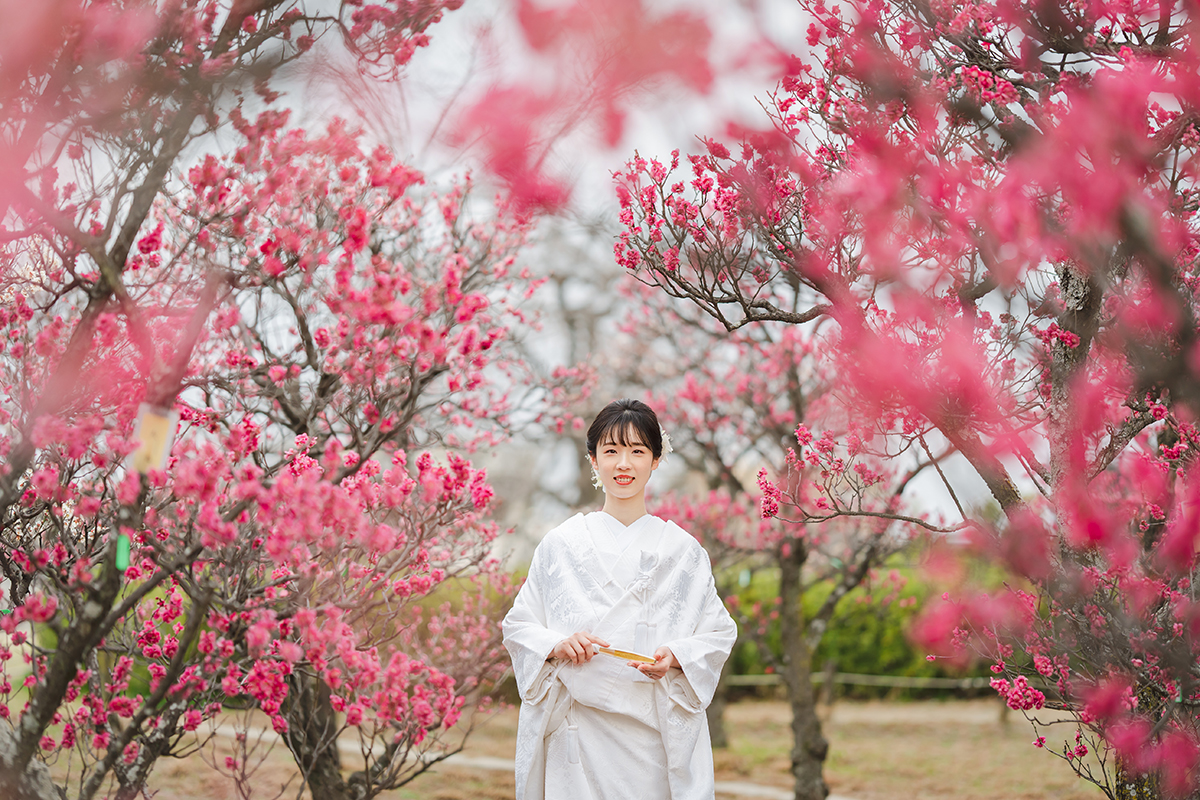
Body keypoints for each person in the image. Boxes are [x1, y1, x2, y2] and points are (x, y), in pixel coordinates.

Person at [502, 399, 738, 800]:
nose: (623, 463)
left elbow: (718, 633)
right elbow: (519, 625)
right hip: (577, 736)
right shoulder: (561, 545)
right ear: (593, 460)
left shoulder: (683, 551)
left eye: (637, 451)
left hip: (652, 735)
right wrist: (557, 644)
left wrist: (676, 655)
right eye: (611, 451)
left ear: (656, 460)